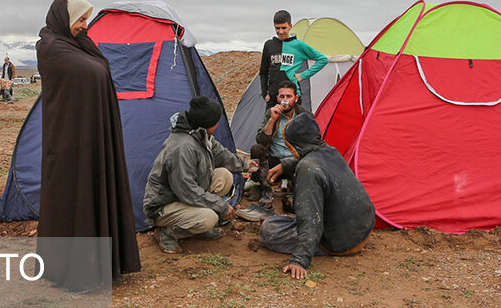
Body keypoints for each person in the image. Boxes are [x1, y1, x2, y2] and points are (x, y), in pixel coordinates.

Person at [35, 0, 140, 288]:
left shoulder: (74, 43)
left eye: (85, 19)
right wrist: (98, 67)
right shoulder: (51, 47)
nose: (84, 25)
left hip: (89, 135)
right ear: (64, 18)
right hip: (67, 141)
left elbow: (98, 67)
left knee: (92, 192)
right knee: (72, 200)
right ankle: (72, 271)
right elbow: (95, 70)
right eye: (80, 19)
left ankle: (101, 265)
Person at [260, 113, 375, 279]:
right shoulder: (330, 151)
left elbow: (310, 220)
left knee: (269, 228)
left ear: (295, 145)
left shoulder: (307, 170)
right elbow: (313, 158)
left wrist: (300, 260)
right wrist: (285, 166)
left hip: (341, 241)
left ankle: (318, 249)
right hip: (362, 225)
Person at [144, 96, 253, 254]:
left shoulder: (200, 134)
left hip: (183, 195)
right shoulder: (182, 147)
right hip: (164, 204)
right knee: (209, 218)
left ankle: (196, 226)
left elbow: (221, 155)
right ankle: (168, 232)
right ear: (210, 124)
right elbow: (186, 190)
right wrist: (219, 205)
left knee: (224, 176)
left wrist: (246, 165)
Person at [237, 81, 310, 221]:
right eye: (282, 96)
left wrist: (291, 162)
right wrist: (272, 120)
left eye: (289, 96)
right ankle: (266, 190)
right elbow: (261, 140)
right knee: (256, 149)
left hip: (293, 161)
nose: (285, 100)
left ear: (296, 98)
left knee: (305, 164)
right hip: (273, 159)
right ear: (277, 99)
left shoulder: (305, 117)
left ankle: (291, 189)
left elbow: (309, 146)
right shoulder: (272, 113)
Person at [259, 10, 328, 108]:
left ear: (290, 26)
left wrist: (303, 75)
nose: (280, 31)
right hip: (273, 97)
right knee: (269, 123)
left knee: (293, 123)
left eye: (284, 28)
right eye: (277, 28)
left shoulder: (298, 45)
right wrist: (265, 93)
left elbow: (323, 59)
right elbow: (263, 71)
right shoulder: (269, 45)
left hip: (292, 95)